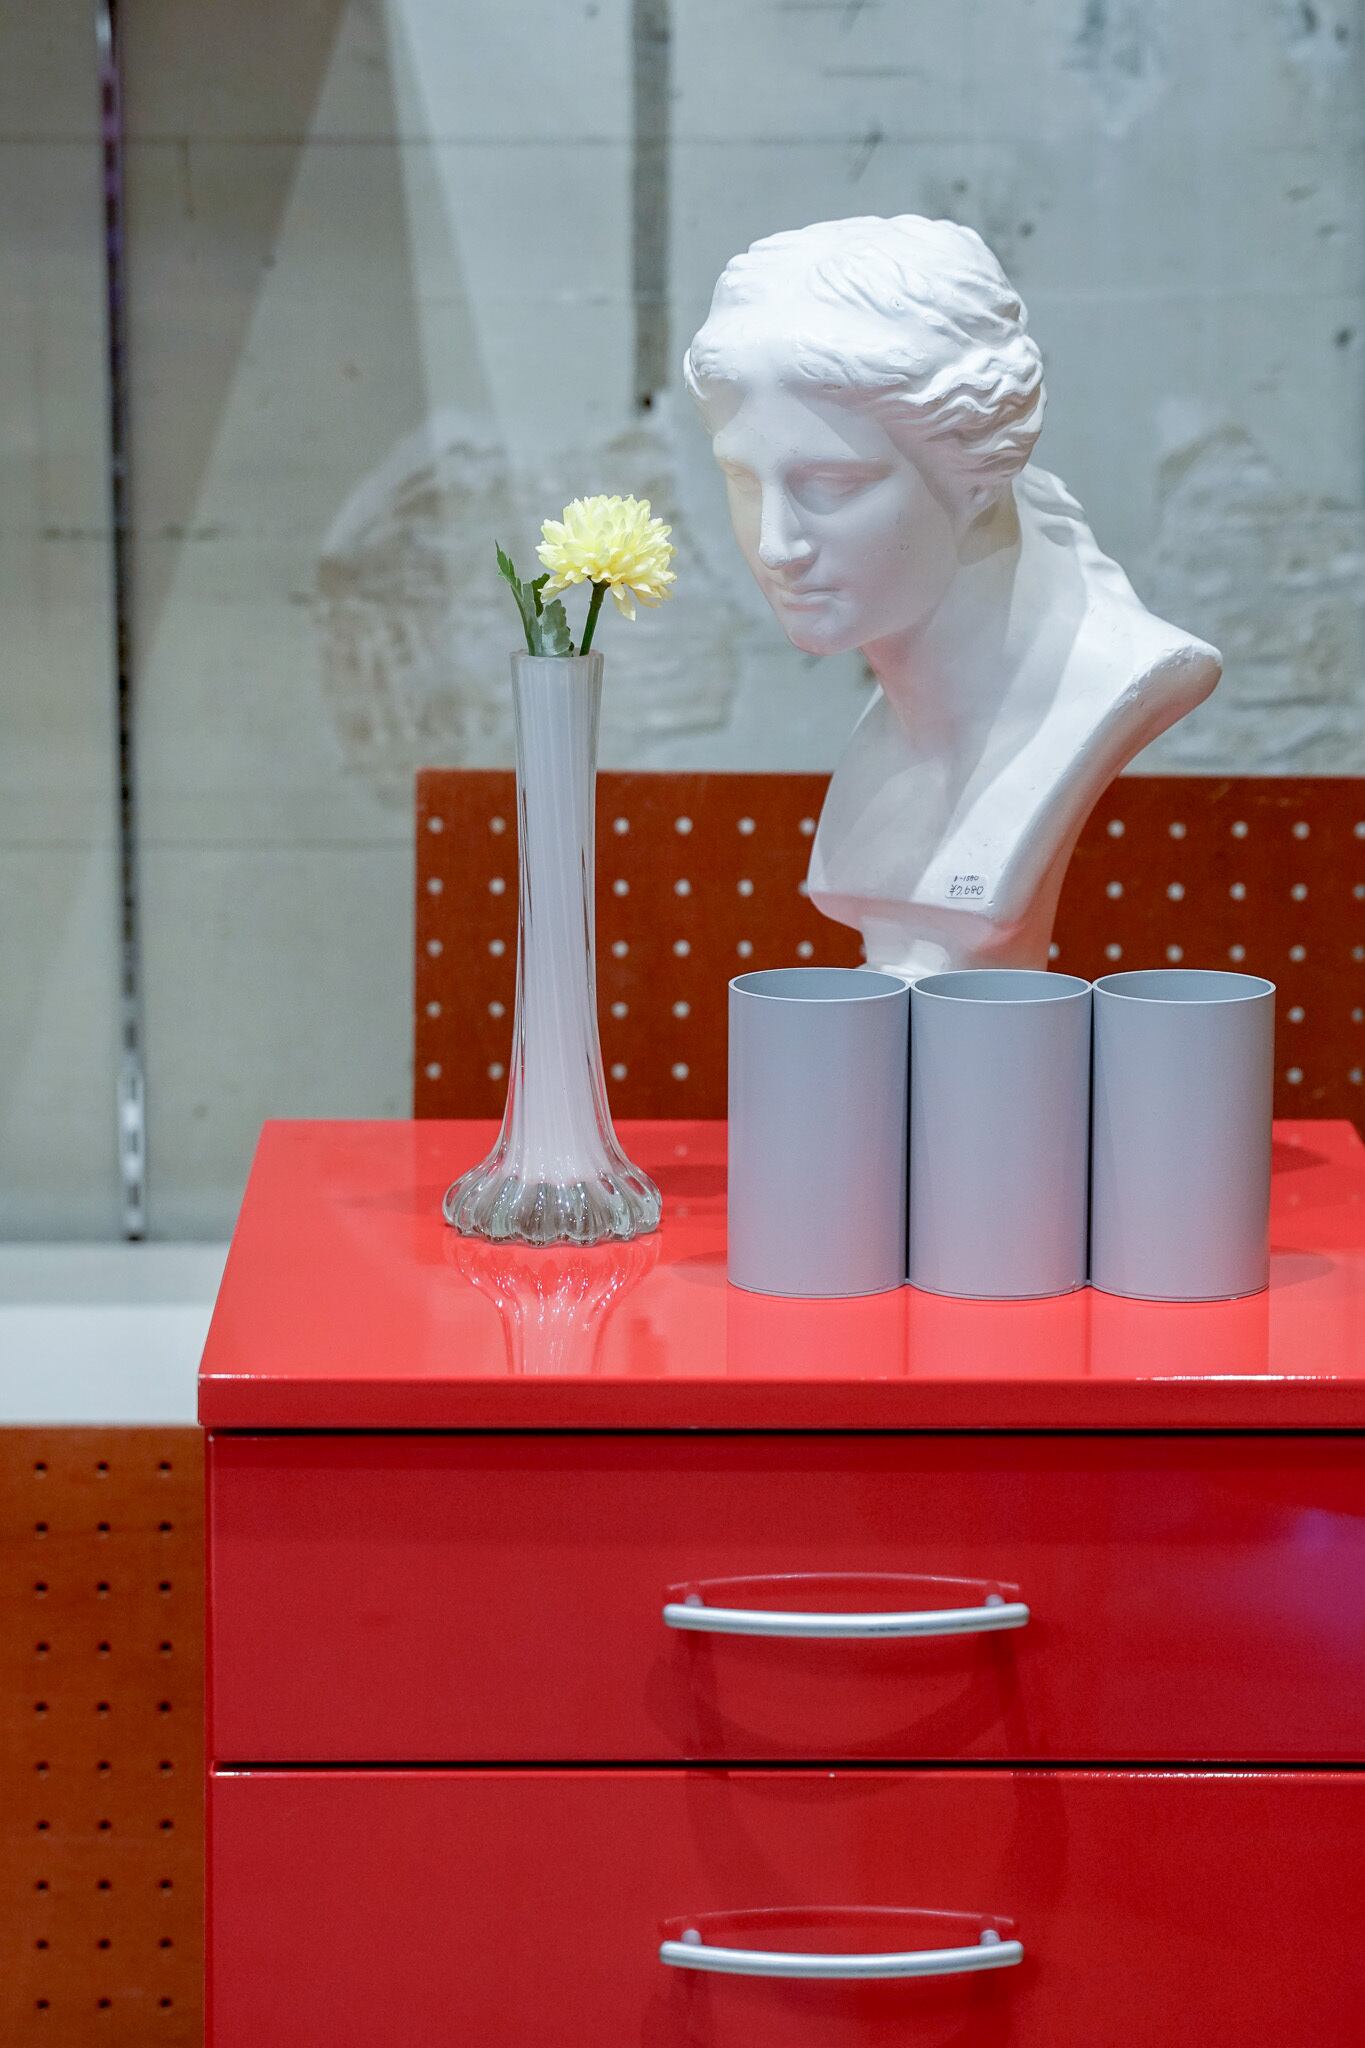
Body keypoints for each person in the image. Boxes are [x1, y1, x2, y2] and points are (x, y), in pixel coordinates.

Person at [684, 214, 1220, 978]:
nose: (776, 545)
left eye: (832, 484)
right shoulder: (897, 724)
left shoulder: (1112, 678)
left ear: (976, 473)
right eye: (741, 480)